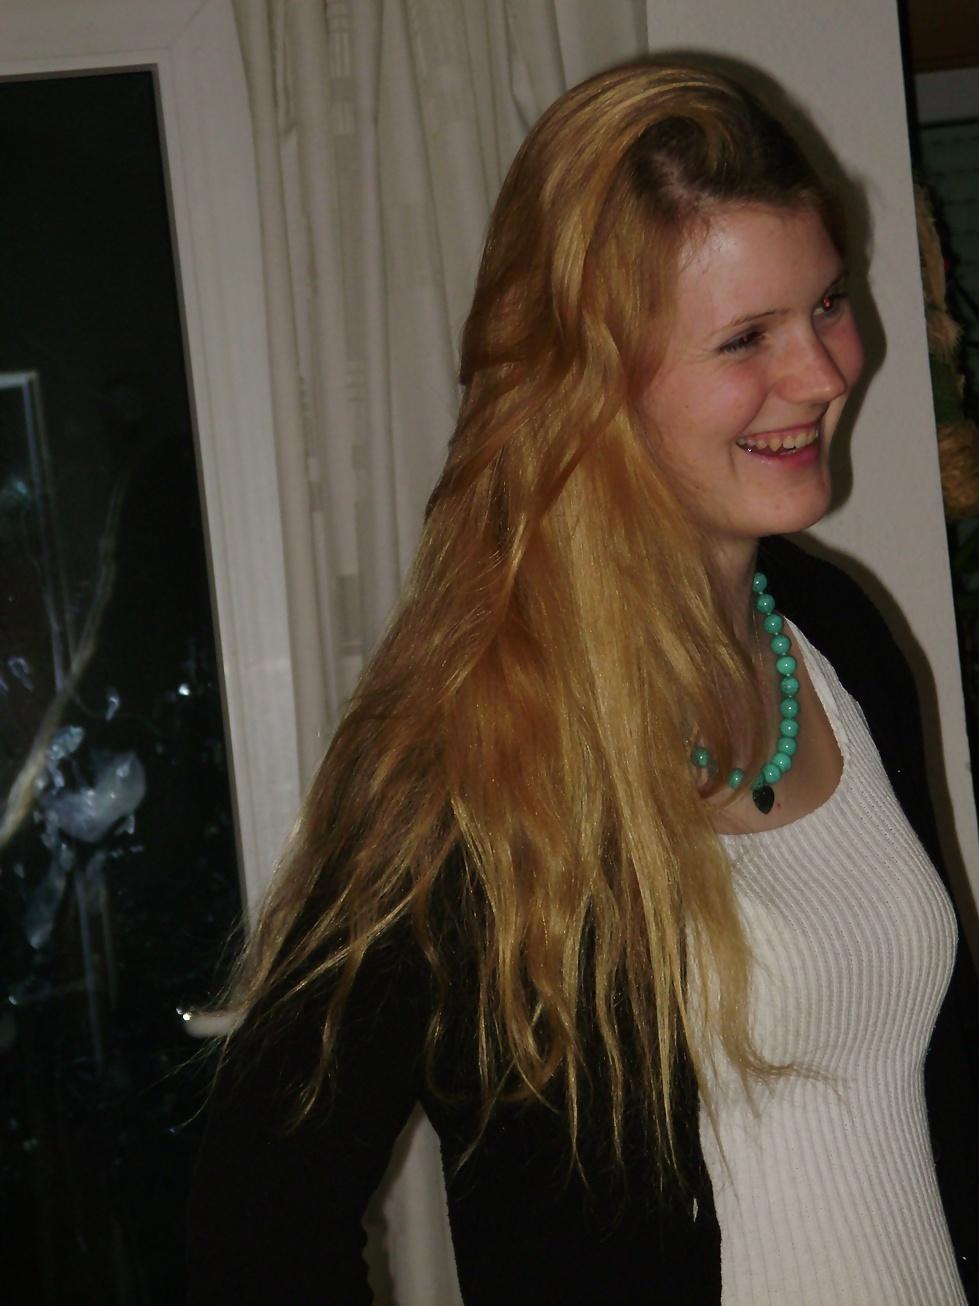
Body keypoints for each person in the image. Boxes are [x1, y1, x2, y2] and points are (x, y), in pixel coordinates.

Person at [187, 60, 979, 1305]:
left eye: (826, 302)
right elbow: (252, 1224)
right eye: (745, 338)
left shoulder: (838, 634)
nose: (826, 372)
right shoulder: (464, 749)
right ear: (589, 380)